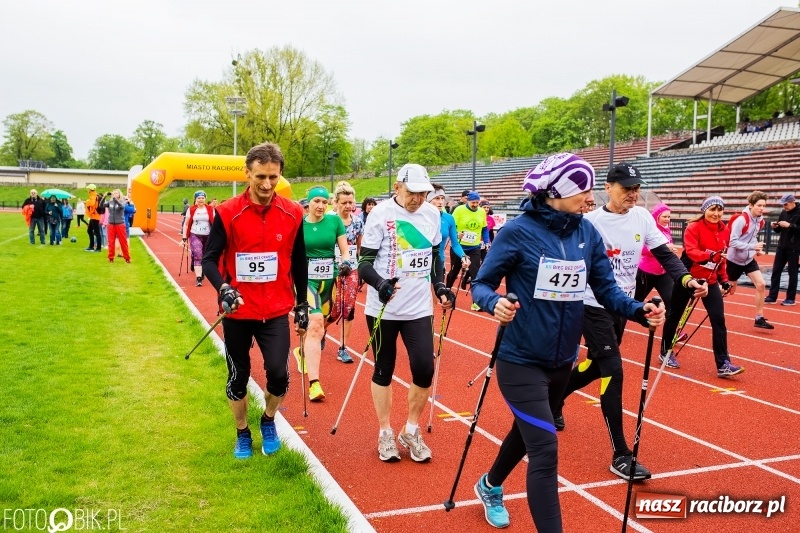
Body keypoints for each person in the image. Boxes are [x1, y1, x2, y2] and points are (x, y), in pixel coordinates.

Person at [470, 153, 665, 531]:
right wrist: (494, 303)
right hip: (520, 360)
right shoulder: (517, 232)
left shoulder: (586, 232)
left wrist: (640, 310)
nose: (590, 197)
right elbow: (481, 283)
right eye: (584, 189)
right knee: (545, 450)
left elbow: (607, 290)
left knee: (526, 435)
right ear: (559, 191)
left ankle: (490, 484)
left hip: (561, 362)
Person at [554, 162, 706, 481]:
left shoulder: (642, 217)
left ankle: (553, 399)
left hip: (622, 305)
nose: (633, 195)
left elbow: (665, 255)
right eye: (626, 189)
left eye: (637, 189)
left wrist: (687, 280)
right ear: (608, 188)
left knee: (597, 364)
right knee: (613, 368)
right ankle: (622, 454)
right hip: (590, 304)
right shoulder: (590, 223)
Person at [202, 141, 309, 459]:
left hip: (275, 309)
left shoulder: (293, 213)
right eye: (260, 176)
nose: (266, 184)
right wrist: (224, 288)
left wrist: (302, 304)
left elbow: (299, 260)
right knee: (238, 375)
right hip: (238, 310)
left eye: (273, 178)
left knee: (279, 373)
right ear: (247, 173)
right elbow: (209, 260)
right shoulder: (227, 213)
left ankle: (268, 420)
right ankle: (242, 433)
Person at [357, 163, 454, 463]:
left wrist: (440, 285)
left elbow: (436, 257)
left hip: (418, 308)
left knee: (424, 368)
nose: (417, 199)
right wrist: (381, 284)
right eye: (412, 193)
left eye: (423, 194)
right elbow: (364, 263)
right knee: (384, 368)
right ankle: (385, 431)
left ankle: (410, 430)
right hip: (383, 308)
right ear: (398, 186)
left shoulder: (432, 214)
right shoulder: (381, 214)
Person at [661, 196, 744, 378]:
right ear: (704, 210)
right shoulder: (693, 228)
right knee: (675, 315)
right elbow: (692, 252)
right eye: (712, 209)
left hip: (711, 280)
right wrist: (711, 256)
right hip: (688, 277)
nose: (716, 213)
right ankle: (665, 351)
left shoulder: (724, 230)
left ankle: (723, 364)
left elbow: (722, 258)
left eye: (719, 210)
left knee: (718, 320)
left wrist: (724, 280)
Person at [292, 186, 351, 401]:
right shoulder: (299, 224)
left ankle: (303, 350)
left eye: (325, 202)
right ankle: (314, 384)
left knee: (325, 323)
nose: (321, 206)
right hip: (306, 280)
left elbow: (344, 249)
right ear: (308, 203)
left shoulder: (334, 222)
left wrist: (345, 262)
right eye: (317, 201)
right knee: (315, 324)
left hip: (329, 280)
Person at [726, 191, 774, 329]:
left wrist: (756, 250)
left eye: (764, 206)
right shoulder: (741, 220)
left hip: (748, 260)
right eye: (759, 205)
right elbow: (732, 242)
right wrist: (752, 246)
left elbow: (752, 238)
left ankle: (759, 318)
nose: (762, 208)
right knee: (728, 290)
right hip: (734, 260)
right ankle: (710, 295)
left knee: (761, 284)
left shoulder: (761, 221)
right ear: (751, 205)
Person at [634, 203, 681, 339]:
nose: (667, 219)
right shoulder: (650, 229)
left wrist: (670, 250)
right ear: (657, 216)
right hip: (646, 272)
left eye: (669, 217)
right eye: (664, 216)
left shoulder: (667, 230)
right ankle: (616, 325)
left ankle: (672, 334)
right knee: (635, 301)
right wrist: (665, 248)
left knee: (672, 302)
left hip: (662, 273)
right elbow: (642, 250)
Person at [329, 181, 363, 364]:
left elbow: (360, 248)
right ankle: (321, 330)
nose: (348, 206)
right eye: (344, 203)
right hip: (330, 268)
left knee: (348, 308)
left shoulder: (358, 222)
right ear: (336, 203)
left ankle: (342, 347)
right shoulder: (329, 220)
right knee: (334, 309)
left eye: (351, 202)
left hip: (352, 269)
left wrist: (362, 269)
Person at [447, 191, 489, 311]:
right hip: (459, 247)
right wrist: (456, 234)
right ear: (468, 201)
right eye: (473, 202)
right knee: (454, 272)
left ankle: (475, 302)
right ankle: (447, 291)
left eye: (477, 202)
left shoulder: (481, 212)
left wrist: (487, 242)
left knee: (475, 275)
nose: (475, 204)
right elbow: (451, 226)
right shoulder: (459, 210)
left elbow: (485, 228)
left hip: (474, 247)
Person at [427, 184, 469, 285]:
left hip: (438, 263)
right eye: (436, 198)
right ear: (427, 200)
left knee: (437, 298)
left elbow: (455, 244)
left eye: (442, 198)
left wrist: (463, 256)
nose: (441, 202)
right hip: (420, 265)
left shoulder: (449, 218)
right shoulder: (419, 217)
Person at [766, 193, 800, 305]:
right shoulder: (783, 212)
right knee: (776, 271)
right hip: (781, 247)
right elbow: (780, 230)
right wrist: (775, 227)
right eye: (783, 204)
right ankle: (772, 296)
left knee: (792, 273)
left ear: (792, 202)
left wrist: (790, 225)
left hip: (794, 248)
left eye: (785, 204)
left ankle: (790, 298)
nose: (784, 207)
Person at [183, 191, 214, 286]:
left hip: (208, 235)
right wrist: (184, 236)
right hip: (195, 234)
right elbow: (186, 223)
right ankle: (199, 278)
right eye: (199, 198)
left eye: (202, 198)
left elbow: (215, 222)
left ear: (205, 199)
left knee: (205, 256)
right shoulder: (191, 209)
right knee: (198, 254)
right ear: (195, 199)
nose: (201, 200)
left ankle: (200, 268)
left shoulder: (210, 209)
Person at [105, 189, 131, 263]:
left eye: (117, 193)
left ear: (119, 194)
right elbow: (101, 206)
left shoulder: (123, 201)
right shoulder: (110, 202)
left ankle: (127, 258)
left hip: (120, 224)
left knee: (123, 241)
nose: (115, 194)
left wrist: (115, 200)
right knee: (111, 241)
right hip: (111, 224)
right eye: (114, 193)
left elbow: (121, 206)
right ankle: (111, 257)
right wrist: (104, 197)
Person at [84, 185, 103, 252]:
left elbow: (92, 204)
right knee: (89, 230)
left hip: (95, 216)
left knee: (97, 232)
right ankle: (91, 246)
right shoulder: (95, 195)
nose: (87, 190)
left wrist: (87, 202)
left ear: (90, 189)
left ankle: (98, 248)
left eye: (88, 189)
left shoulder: (93, 195)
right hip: (94, 216)